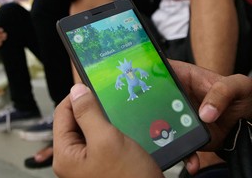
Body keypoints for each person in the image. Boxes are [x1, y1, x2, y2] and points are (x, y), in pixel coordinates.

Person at [0, 0, 118, 169]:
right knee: (7, 15)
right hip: (61, 49)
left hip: (96, 41)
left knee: (44, 4)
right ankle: (24, 106)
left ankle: (63, 114)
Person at [52, 59, 252, 178]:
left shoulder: (133, 71)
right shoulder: (124, 75)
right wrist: (241, 131)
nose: (128, 70)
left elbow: (138, 71)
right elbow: (124, 78)